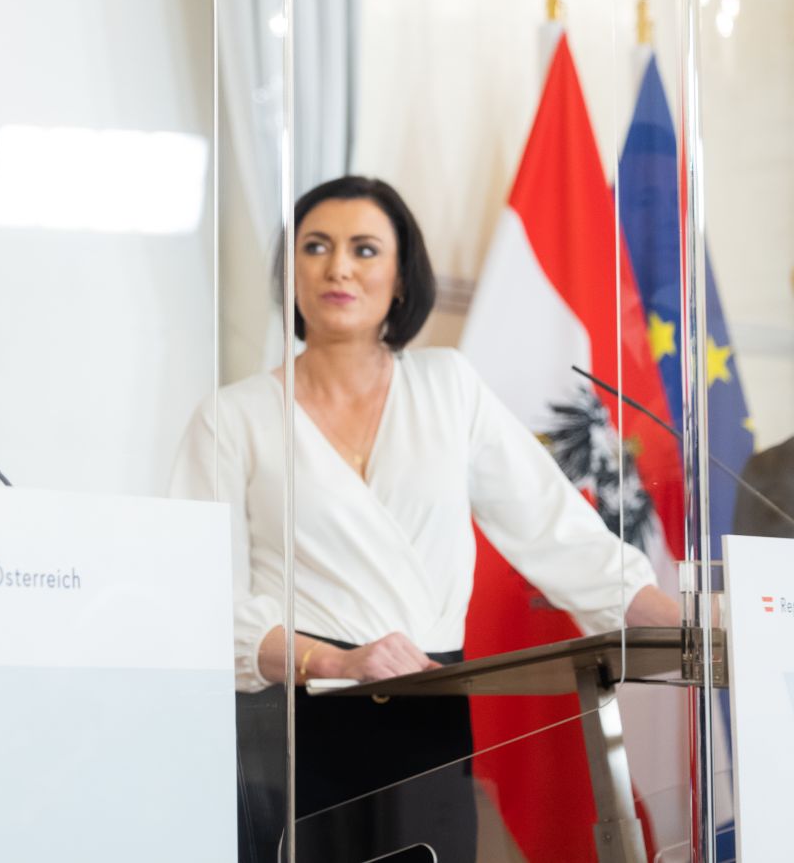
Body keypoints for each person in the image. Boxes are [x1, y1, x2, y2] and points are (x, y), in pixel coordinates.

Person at [170, 175, 679, 863]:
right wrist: (333, 660)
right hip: (291, 722)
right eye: (315, 246)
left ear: (402, 278)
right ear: (289, 273)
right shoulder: (231, 417)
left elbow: (553, 524)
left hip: (429, 714)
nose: (338, 266)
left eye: (364, 248)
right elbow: (200, 601)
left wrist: (666, 618)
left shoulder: (448, 385)